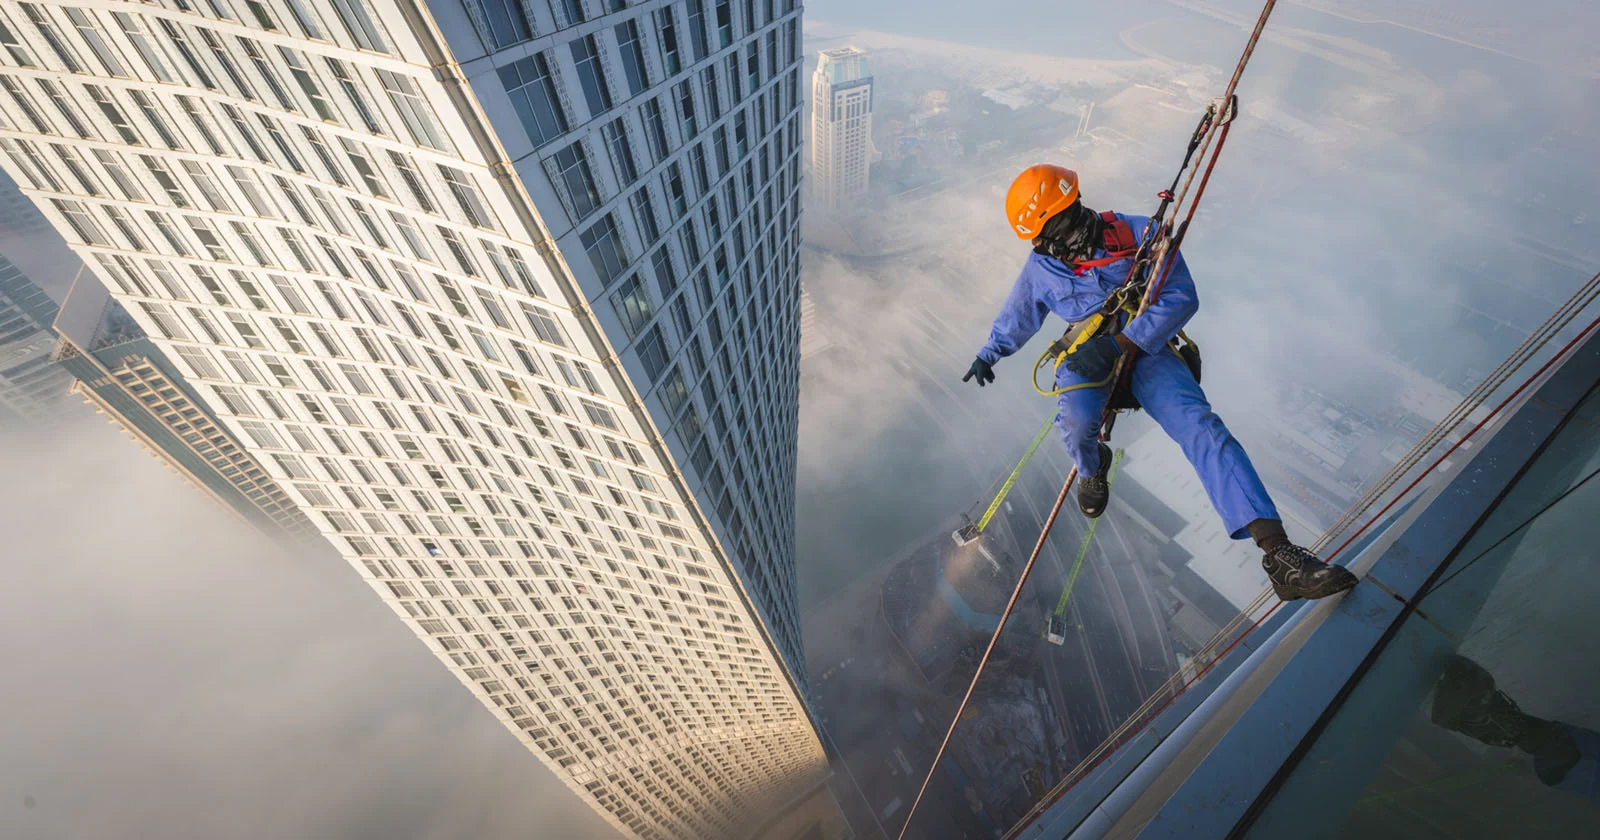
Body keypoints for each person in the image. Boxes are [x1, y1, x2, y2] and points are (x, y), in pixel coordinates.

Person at [961, 164, 1356, 602]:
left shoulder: (1138, 235)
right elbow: (1019, 313)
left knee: (1202, 428)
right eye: (1042, 237)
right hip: (1085, 354)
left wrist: (1122, 343)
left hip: (1145, 350)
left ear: (1071, 211)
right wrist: (989, 353)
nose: (1047, 244)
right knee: (1076, 422)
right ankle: (1092, 470)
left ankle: (1279, 555)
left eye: (1052, 229)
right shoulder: (1042, 267)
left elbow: (1181, 295)